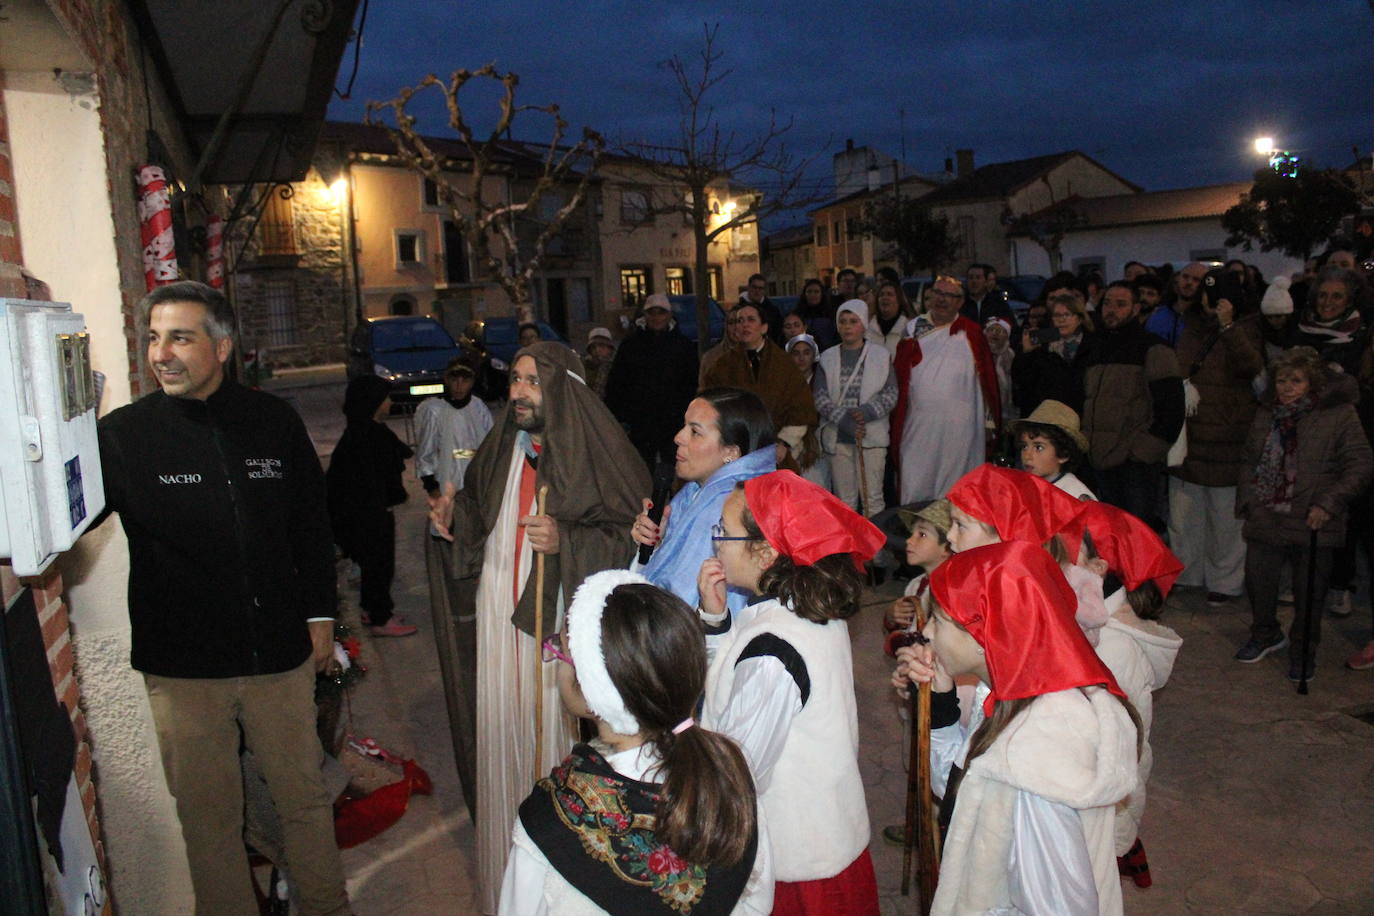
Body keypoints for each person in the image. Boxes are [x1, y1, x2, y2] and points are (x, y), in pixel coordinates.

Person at [96, 281, 349, 915]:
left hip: (278, 658)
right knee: (208, 821)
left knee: (304, 803)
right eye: (153, 338)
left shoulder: (273, 421)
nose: (162, 353)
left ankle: (326, 908)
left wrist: (322, 617)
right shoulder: (123, 436)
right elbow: (66, 516)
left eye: (179, 337)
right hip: (183, 670)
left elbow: (311, 529)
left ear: (223, 346)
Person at [434, 342, 650, 914]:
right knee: (503, 728)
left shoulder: (601, 451)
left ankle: (561, 882)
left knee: (551, 737)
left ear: (562, 389)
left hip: (554, 619)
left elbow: (633, 538)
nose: (520, 391)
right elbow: (479, 506)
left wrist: (568, 542)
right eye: (516, 380)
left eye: (533, 381)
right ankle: (508, 874)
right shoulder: (504, 440)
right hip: (498, 610)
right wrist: (452, 513)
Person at [500, 571, 773, 914]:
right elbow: (757, 901)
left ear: (588, 691)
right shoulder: (729, 770)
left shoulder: (549, 820)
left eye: (561, 650)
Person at [893, 541, 1139, 916]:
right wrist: (940, 704)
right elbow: (968, 793)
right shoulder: (1009, 695)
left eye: (938, 623)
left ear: (983, 637)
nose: (926, 637)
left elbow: (1059, 907)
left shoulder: (1037, 751)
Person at [697, 471, 885, 913]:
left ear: (764, 551)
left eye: (724, 532)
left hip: (794, 869)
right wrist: (717, 623)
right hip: (830, 835)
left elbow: (736, 774)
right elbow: (737, 685)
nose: (716, 542)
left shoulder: (772, 655)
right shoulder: (811, 607)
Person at [1235, 348, 1372, 682]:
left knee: (1309, 592)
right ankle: (1265, 633)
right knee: (1259, 583)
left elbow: (1361, 463)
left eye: (1296, 380)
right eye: (1282, 380)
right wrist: (1250, 499)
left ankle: (1303, 651)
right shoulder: (1268, 411)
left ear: (1313, 383)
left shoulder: (1338, 414)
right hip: (1268, 514)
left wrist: (1329, 504)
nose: (1287, 387)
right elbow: (1250, 459)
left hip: (1313, 519)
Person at [1074, 500, 1183, 889]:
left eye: (1064, 550)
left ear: (1096, 569)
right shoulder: (1084, 619)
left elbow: (1112, 750)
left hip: (1098, 799)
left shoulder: (1114, 648)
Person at [415, 352, 494, 816]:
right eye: (453, 378)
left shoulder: (481, 409)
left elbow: (486, 448)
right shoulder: (431, 409)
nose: (460, 386)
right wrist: (429, 484)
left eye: (466, 379)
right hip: (443, 489)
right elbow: (425, 448)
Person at [631, 388, 776, 614]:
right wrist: (657, 544)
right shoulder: (696, 491)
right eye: (684, 425)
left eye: (695, 432)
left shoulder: (724, 507)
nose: (679, 437)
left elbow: (679, 605)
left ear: (731, 452)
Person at [1168, 275, 1264, 606]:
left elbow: (1255, 369)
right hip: (1192, 437)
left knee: (1225, 519)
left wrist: (1229, 328)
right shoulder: (1191, 326)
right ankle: (1188, 574)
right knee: (1186, 516)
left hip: (1228, 437)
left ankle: (1225, 582)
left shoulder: (1249, 327)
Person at [1081, 280, 1184, 530]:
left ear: (1136, 308)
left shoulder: (1155, 349)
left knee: (1136, 538)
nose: (1111, 310)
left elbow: (1171, 412)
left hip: (1134, 467)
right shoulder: (1095, 346)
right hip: (1098, 462)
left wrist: (1141, 454)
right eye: (1107, 303)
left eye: (1120, 304)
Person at [890, 275, 1001, 504]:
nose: (942, 300)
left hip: (961, 429)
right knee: (916, 478)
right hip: (919, 424)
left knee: (956, 486)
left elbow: (987, 384)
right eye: (938, 293)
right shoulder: (912, 330)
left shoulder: (971, 333)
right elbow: (899, 377)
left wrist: (990, 424)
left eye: (949, 296)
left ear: (960, 302)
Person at [326, 375, 418, 636]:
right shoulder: (365, 436)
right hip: (368, 516)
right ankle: (380, 618)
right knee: (379, 566)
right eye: (385, 398)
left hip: (366, 514)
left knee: (373, 567)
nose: (389, 402)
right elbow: (368, 480)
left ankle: (373, 609)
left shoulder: (364, 430)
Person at [702, 302, 819, 474]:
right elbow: (709, 405)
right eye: (740, 320)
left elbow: (801, 408)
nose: (744, 325)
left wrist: (785, 443)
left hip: (775, 451)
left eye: (751, 320)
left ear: (764, 327)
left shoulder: (783, 364)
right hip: (735, 452)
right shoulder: (722, 366)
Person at [814, 300, 896, 516]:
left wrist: (867, 412)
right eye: (842, 322)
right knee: (844, 501)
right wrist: (845, 420)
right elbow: (820, 398)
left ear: (864, 324)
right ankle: (850, 547)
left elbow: (891, 393)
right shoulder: (827, 357)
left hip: (871, 436)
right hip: (838, 436)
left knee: (873, 499)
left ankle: (874, 547)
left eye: (853, 321)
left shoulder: (881, 355)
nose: (847, 326)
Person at [606, 292, 700, 474]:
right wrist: (621, 416)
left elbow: (691, 382)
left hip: (674, 421)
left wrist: (685, 412)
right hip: (641, 422)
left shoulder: (683, 346)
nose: (657, 317)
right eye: (652, 313)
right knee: (641, 471)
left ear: (669, 315)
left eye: (661, 312)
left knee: (676, 469)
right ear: (645, 315)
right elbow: (617, 383)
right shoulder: (630, 346)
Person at [1011, 288, 1095, 416]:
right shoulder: (1043, 345)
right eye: (1056, 315)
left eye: (1067, 314)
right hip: (1049, 414)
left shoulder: (1092, 344)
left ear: (1079, 318)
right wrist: (1026, 353)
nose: (1061, 320)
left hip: (1083, 413)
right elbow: (1022, 381)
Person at [1009, 399, 1096, 499]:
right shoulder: (1026, 485)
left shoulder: (1076, 496)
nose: (1027, 455)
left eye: (1039, 447)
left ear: (1063, 454)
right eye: (1024, 446)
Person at [1144, 261, 1208, 347]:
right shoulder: (1158, 315)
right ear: (1178, 279)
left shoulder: (1208, 319)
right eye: (1185, 277)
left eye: (1196, 280)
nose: (1189, 282)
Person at [961, 262, 1016, 330]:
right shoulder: (960, 304)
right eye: (970, 277)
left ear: (986, 282)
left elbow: (1012, 329)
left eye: (978, 278)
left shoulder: (998, 304)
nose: (974, 281)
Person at [866, 280, 913, 358]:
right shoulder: (868, 328)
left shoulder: (908, 329)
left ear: (898, 299)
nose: (885, 298)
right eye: (881, 295)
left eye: (890, 294)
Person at [740, 272, 786, 347]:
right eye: (754, 287)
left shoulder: (772, 310)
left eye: (760, 288)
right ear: (748, 287)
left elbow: (779, 333)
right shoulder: (738, 309)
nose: (757, 291)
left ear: (764, 290)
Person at [792, 278, 838, 351]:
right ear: (804, 294)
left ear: (822, 294)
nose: (812, 295)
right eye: (809, 292)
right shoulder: (797, 314)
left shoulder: (831, 314)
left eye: (816, 292)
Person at [582, 327, 616, 399]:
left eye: (603, 346)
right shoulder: (582, 365)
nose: (598, 350)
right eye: (594, 347)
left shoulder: (613, 368)